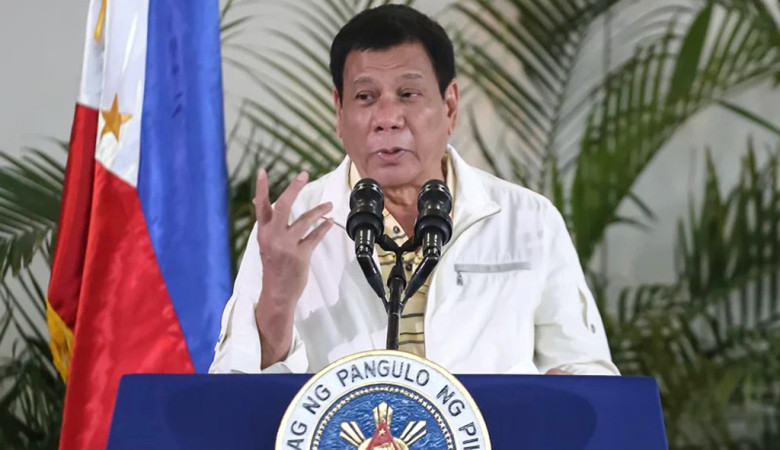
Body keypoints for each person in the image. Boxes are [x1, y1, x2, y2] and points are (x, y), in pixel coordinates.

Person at [209, 4, 619, 375]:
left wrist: (566, 394)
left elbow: (589, 376)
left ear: (450, 106)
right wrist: (278, 301)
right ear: (339, 111)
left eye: (408, 94)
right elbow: (233, 396)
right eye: (365, 96)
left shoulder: (528, 220)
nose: (388, 117)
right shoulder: (289, 230)